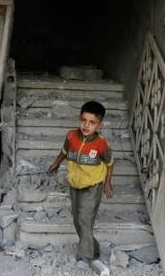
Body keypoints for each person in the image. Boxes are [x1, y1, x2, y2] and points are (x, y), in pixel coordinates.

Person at [47, 100, 113, 271]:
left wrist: (108, 183)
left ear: (100, 124)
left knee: (85, 220)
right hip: (75, 185)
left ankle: (84, 258)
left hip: (93, 187)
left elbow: (110, 163)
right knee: (78, 221)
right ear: (79, 118)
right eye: (84, 120)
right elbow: (64, 151)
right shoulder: (71, 136)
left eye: (92, 122)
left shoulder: (101, 144)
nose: (86, 125)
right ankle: (94, 249)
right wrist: (56, 163)